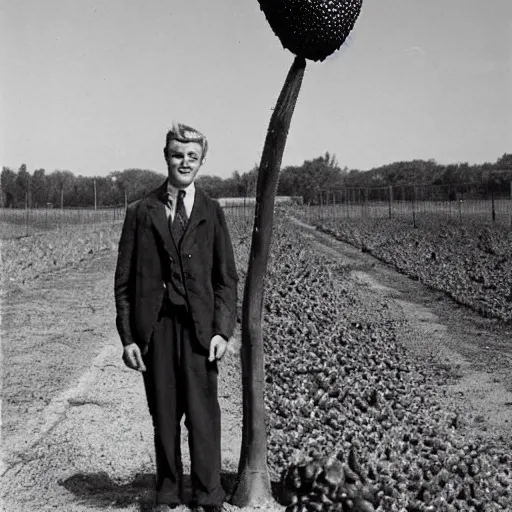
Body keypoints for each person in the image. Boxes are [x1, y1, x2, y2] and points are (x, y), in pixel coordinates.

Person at [114, 122, 238, 512]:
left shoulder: (211, 211)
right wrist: (129, 338)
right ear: (165, 156)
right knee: (164, 414)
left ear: (201, 161)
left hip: (200, 331)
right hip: (158, 329)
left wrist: (222, 331)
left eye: (192, 157)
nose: (183, 162)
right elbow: (123, 283)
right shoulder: (140, 211)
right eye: (176, 155)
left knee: (204, 416)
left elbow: (226, 279)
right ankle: (168, 491)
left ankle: (208, 493)